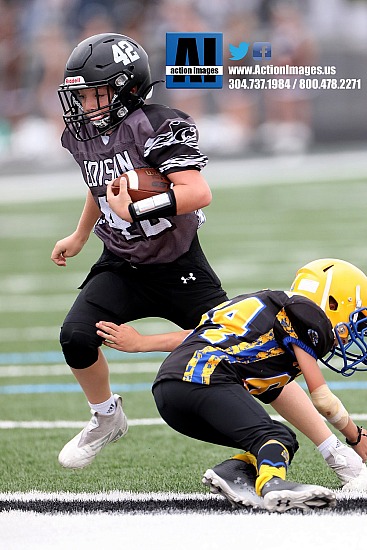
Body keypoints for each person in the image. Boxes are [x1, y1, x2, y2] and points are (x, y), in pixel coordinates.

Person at [51, 33, 228, 469]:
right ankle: (105, 417)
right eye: (81, 96)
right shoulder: (83, 136)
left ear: (127, 88)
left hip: (178, 262)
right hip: (122, 262)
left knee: (235, 345)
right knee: (75, 336)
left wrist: (138, 207)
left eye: (95, 94)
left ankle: (328, 442)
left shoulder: (157, 125)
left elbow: (198, 192)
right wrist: (79, 234)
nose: (86, 105)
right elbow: (102, 186)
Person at [97, 258, 367, 512]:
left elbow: (273, 386)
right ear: (331, 303)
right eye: (355, 318)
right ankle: (272, 485)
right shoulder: (305, 315)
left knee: (279, 442)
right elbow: (322, 399)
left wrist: (143, 343)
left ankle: (233, 473)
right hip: (205, 379)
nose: (353, 331)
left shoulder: (266, 314)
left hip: (171, 394)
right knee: (275, 437)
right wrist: (354, 435)